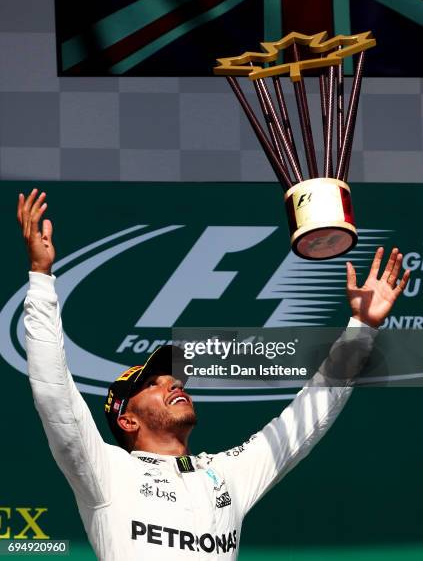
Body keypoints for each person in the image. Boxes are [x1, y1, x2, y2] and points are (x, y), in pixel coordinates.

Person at [18, 188, 409, 561]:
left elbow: (306, 418)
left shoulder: (225, 474)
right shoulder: (105, 471)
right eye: (152, 384)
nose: (172, 383)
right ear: (127, 418)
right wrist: (40, 277)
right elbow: (55, 395)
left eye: (172, 378)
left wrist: (361, 327)